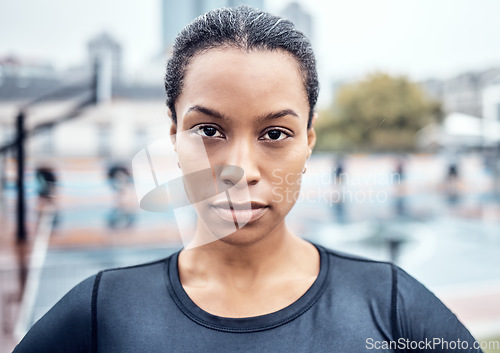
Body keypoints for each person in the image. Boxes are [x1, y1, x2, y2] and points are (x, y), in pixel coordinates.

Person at [14, 6, 483, 352]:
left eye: (275, 133)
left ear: (309, 141)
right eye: (209, 131)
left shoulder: (391, 306)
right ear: (174, 137)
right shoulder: (103, 312)